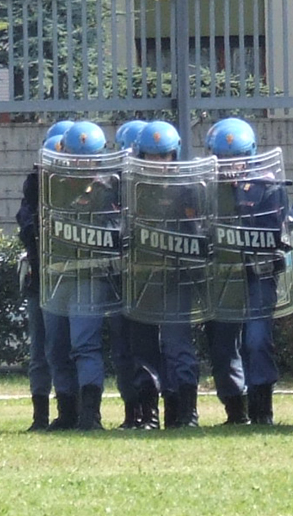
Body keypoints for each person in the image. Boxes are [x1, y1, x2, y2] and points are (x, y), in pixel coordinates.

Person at [206, 117, 286, 425]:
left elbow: (275, 232)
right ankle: (234, 408)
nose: (230, 165)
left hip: (258, 273)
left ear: (250, 154)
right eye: (224, 158)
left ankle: (262, 409)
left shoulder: (267, 186)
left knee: (256, 340)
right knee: (222, 344)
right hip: (222, 275)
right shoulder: (203, 187)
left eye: (237, 158)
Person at [41, 120, 116, 430]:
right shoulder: (50, 183)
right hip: (55, 275)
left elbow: (117, 231)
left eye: (89, 159)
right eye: (76, 158)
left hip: (89, 276)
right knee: (56, 348)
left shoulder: (112, 187)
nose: (83, 165)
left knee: (85, 345)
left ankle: (90, 415)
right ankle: (67, 413)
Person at [135, 120, 203, 429]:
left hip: (176, 278)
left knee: (178, 346)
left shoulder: (188, 188)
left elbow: (199, 232)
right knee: (144, 349)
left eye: (165, 156)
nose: (159, 162)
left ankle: (185, 412)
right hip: (142, 280)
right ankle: (148, 414)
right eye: (153, 156)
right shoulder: (131, 188)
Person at [16, 121, 77, 431]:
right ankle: (40, 416)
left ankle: (74, 411)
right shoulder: (33, 188)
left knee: (68, 347)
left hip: (72, 280)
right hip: (41, 280)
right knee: (41, 350)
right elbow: (26, 227)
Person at [106, 119, 163, 429]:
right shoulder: (109, 187)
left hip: (147, 278)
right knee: (121, 351)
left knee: (144, 349)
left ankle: (150, 415)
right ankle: (132, 413)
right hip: (119, 277)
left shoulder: (157, 188)